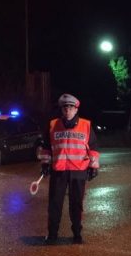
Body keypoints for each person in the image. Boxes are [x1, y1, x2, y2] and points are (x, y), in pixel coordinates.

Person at [37, 93, 100, 244]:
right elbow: (47, 147)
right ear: (61, 109)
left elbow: (93, 148)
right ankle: (52, 235)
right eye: (65, 107)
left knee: (76, 204)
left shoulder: (86, 125)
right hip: (59, 170)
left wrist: (93, 166)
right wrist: (45, 164)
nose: (68, 110)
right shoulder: (53, 125)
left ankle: (77, 235)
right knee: (54, 204)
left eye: (71, 107)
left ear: (76, 109)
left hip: (78, 171)